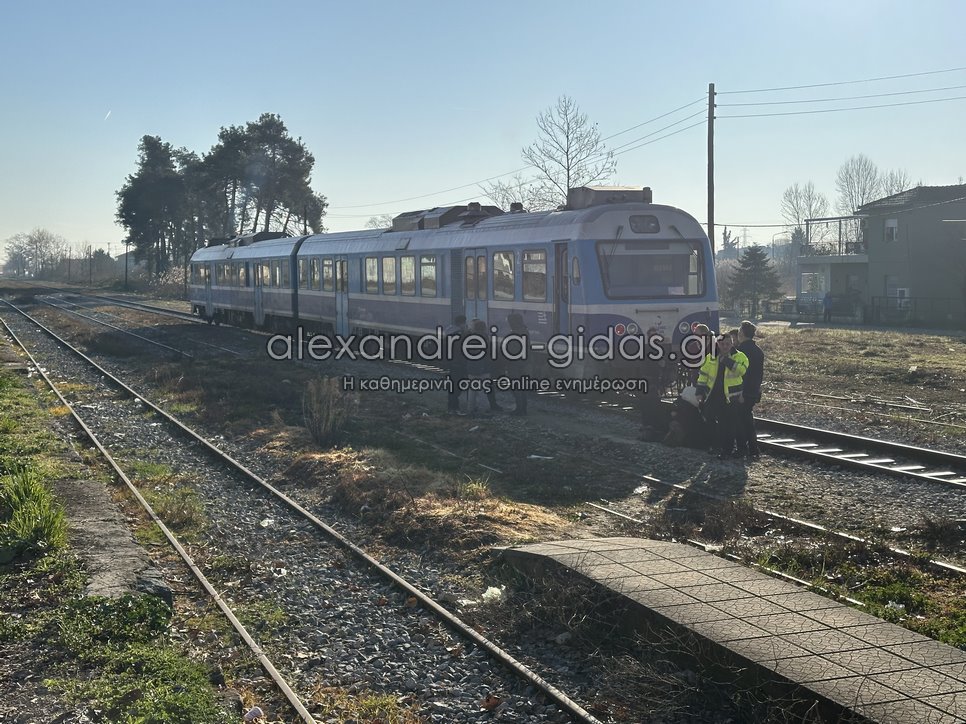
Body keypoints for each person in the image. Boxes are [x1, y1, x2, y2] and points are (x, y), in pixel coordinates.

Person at [695, 333, 749, 459]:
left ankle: (726, 451)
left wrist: (727, 361)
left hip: (730, 397)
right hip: (713, 395)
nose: (725, 346)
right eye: (722, 344)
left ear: (732, 344)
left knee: (728, 424)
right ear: (718, 344)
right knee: (709, 419)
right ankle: (716, 446)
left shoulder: (740, 356)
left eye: (728, 344)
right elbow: (703, 375)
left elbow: (742, 370)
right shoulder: (711, 357)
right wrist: (699, 392)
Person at [734, 320, 764, 459]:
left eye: (739, 331)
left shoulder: (741, 351)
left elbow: (742, 374)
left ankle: (742, 448)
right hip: (753, 390)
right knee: (747, 420)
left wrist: (739, 392)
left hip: (743, 391)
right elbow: (759, 374)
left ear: (742, 333)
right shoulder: (758, 351)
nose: (738, 334)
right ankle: (753, 449)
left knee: (739, 420)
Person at [505, 313, 530, 416]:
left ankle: (519, 409)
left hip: (514, 364)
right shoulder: (525, 331)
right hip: (524, 362)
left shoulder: (513, 335)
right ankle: (523, 408)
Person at [443, 315, 467, 414]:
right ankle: (454, 408)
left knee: (452, 387)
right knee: (457, 387)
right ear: (462, 323)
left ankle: (452, 408)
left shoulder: (448, 331)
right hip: (458, 364)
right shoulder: (460, 335)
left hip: (450, 363)